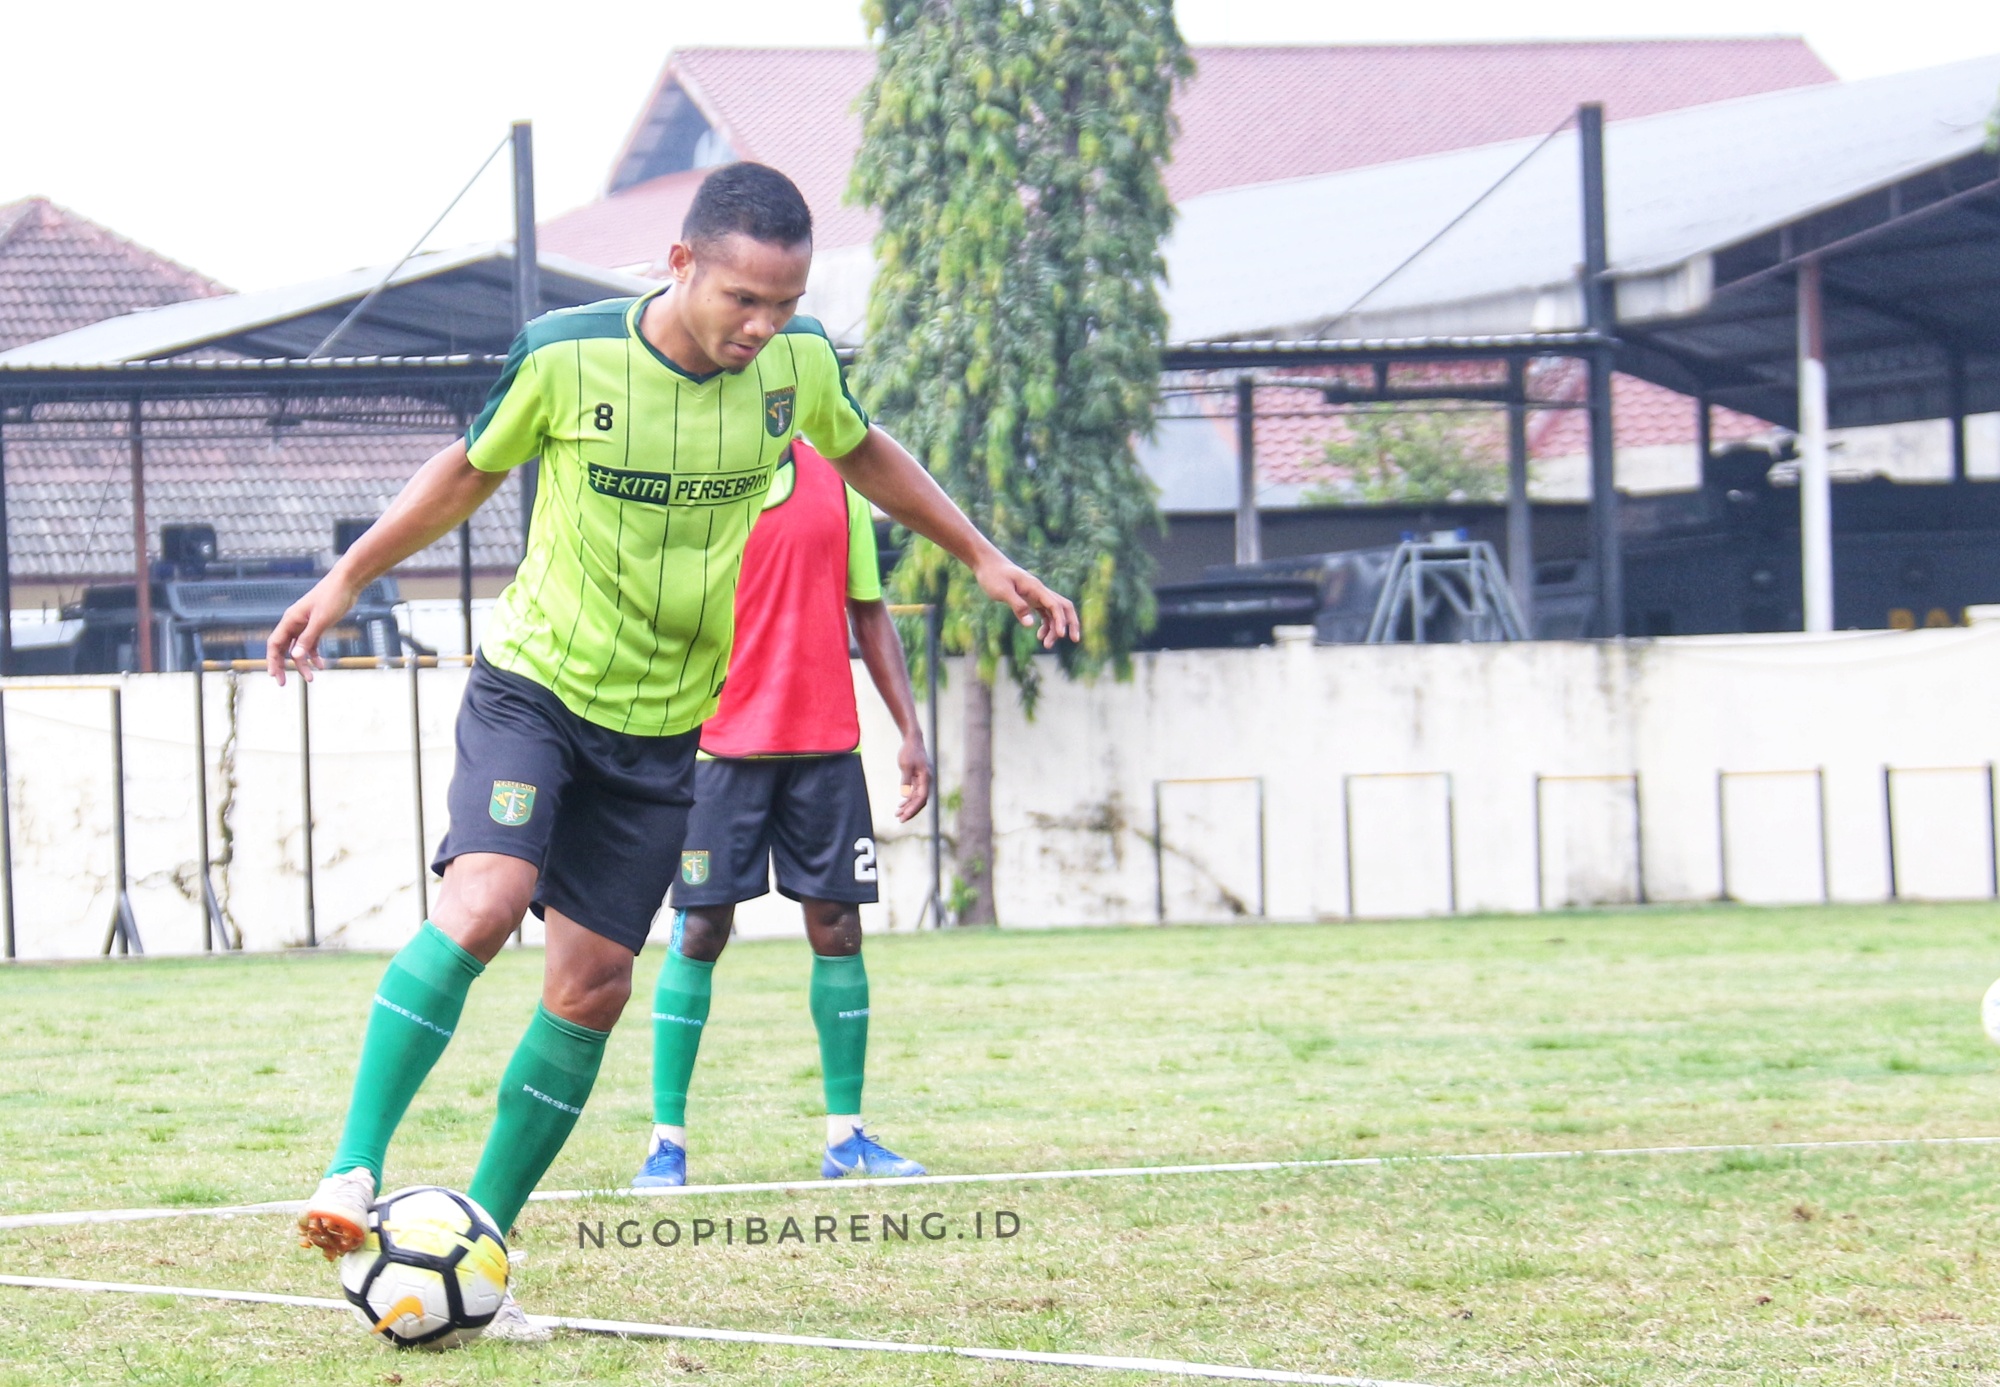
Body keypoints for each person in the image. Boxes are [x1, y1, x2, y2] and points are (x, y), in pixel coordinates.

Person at [269, 163, 1077, 1335]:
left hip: (663, 732)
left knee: (593, 985)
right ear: (681, 264)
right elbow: (465, 472)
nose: (762, 327)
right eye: (742, 298)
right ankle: (349, 1170)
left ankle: (479, 1248)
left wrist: (981, 556)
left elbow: (867, 454)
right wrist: (348, 576)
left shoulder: (796, 372)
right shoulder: (566, 355)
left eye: (784, 304)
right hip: (536, 689)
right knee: (485, 903)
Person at [633, 437, 930, 1190]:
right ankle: (665, 1143)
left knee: (839, 927)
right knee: (700, 928)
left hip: (824, 746)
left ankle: (848, 1137)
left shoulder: (840, 478)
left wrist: (911, 733)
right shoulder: (688, 473)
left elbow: (870, 612)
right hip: (716, 749)